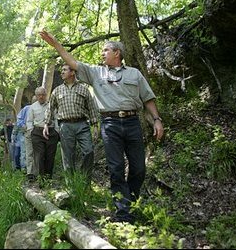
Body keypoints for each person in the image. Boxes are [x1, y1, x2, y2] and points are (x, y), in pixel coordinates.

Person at [39, 30, 164, 224]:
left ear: (117, 53)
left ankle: (131, 200)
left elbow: (148, 98)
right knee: (116, 168)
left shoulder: (134, 73)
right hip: (110, 123)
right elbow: (72, 62)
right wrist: (56, 45)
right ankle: (123, 213)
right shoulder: (95, 73)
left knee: (139, 169)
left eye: (106, 50)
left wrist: (157, 120)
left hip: (132, 123)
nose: (102, 53)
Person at [44, 64, 100, 186]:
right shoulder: (57, 90)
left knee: (89, 151)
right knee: (68, 157)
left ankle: (85, 184)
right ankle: (71, 186)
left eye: (64, 70)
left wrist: (95, 125)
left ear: (73, 72)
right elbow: (50, 108)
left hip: (82, 125)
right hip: (65, 126)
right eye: (62, 70)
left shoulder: (83, 89)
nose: (62, 72)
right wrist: (46, 124)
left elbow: (91, 108)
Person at [27, 87, 59, 180]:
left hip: (51, 132)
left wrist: (57, 131)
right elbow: (29, 121)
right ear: (36, 96)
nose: (41, 96)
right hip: (37, 133)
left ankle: (48, 178)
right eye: (39, 95)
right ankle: (41, 179)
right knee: (39, 155)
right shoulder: (32, 107)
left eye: (43, 94)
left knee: (50, 156)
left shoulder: (51, 105)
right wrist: (31, 131)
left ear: (46, 95)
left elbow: (57, 118)